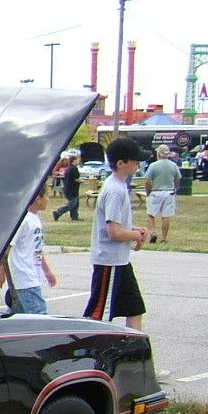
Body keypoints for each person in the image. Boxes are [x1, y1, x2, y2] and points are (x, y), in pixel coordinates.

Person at [85, 137, 150, 331]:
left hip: (121, 261)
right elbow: (113, 232)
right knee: (99, 314)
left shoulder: (119, 185)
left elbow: (119, 227)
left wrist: (134, 230)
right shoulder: (114, 190)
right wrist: (135, 236)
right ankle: (91, 350)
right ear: (121, 163)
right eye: (135, 161)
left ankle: (135, 349)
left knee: (135, 307)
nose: (138, 164)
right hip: (109, 261)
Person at [5, 191, 58, 313]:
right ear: (37, 199)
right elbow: (7, 248)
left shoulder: (35, 219)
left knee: (18, 318)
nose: (48, 199)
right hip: (25, 277)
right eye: (47, 196)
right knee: (39, 316)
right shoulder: (24, 220)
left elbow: (37, 249)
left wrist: (47, 271)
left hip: (32, 276)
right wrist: (2, 273)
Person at [140, 145, 182, 245]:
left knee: (150, 214)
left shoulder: (153, 165)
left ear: (158, 153)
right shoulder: (173, 165)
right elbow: (177, 180)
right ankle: (164, 238)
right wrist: (175, 189)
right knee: (166, 216)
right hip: (169, 192)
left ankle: (153, 232)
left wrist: (148, 191)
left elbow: (147, 181)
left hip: (156, 191)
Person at [51, 150, 82, 222]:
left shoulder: (68, 168)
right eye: (77, 160)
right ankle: (57, 212)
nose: (79, 161)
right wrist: (82, 181)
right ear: (74, 161)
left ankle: (74, 217)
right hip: (71, 189)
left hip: (68, 188)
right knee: (71, 204)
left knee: (76, 203)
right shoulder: (74, 168)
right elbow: (76, 179)